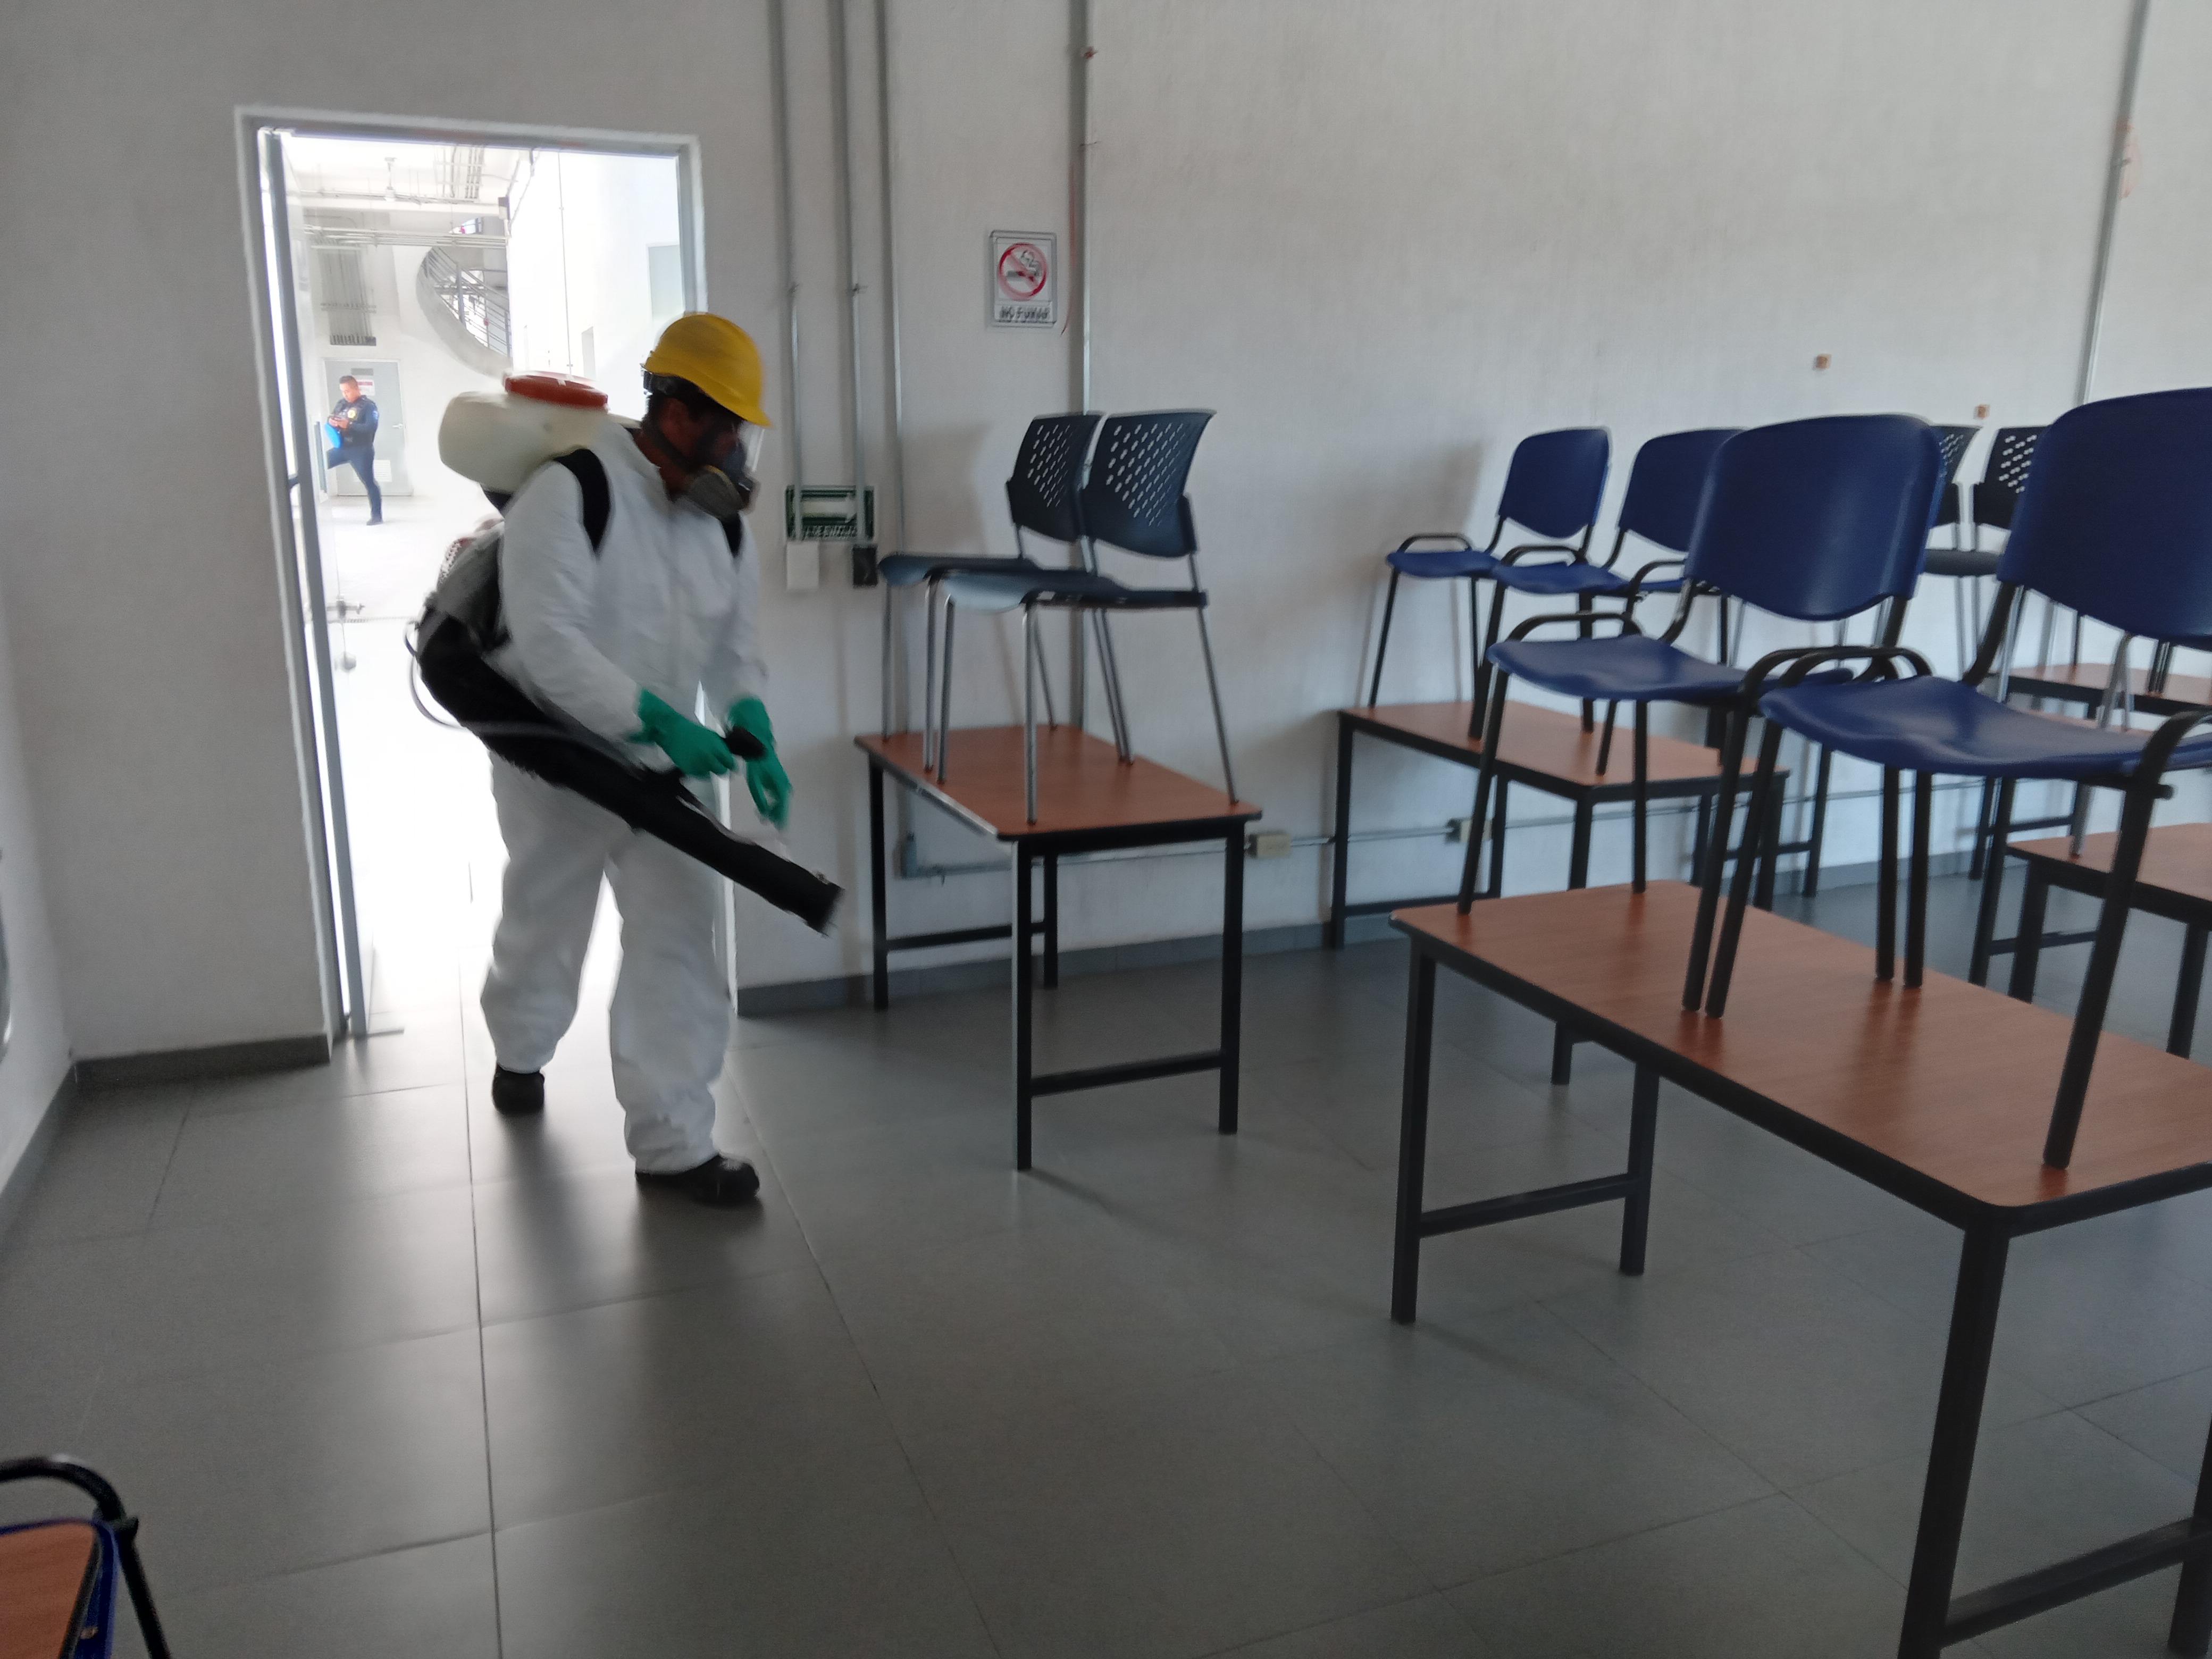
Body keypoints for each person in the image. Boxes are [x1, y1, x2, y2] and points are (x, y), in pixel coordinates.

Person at [479, 313, 792, 1207]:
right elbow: (549, 644)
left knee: (680, 940)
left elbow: (735, 651)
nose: (737, 452)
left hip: (666, 770)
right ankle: (521, 1047)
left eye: (745, 433)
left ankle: (673, 1145)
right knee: (548, 923)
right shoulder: (571, 492)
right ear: (677, 411)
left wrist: (752, 725)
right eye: (727, 429)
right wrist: (653, 715)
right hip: (558, 763)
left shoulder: (721, 529)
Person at [326, 375, 383, 524]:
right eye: (343, 391)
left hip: (361, 450)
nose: (345, 394)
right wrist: (331, 421)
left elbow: (371, 427)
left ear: (356, 388)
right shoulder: (341, 404)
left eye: (348, 391)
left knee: (369, 482)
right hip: (342, 447)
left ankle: (377, 516)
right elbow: (332, 417)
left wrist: (350, 425)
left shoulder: (369, 406)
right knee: (318, 465)